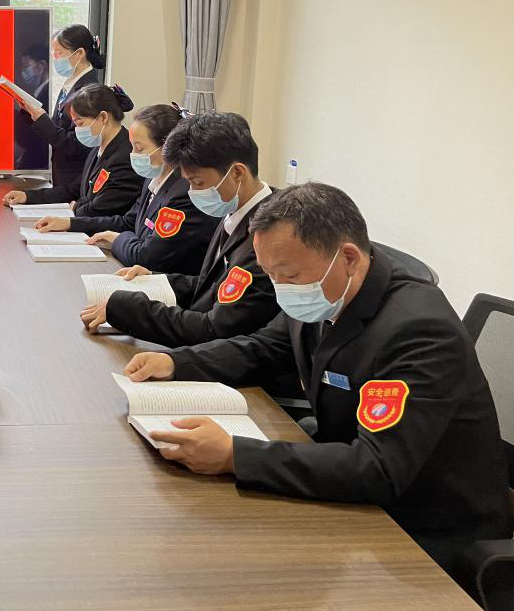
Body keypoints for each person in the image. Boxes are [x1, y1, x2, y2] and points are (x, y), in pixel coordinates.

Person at [122, 183, 512, 594]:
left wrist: (234, 455)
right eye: (272, 275)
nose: (281, 288)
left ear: (348, 258)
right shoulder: (325, 287)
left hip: (423, 531)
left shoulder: (419, 330)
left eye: (289, 276)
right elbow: (267, 346)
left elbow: (378, 469)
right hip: (353, 487)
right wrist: (178, 362)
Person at [80, 112, 279, 346]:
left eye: (198, 182)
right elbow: (211, 287)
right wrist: (156, 280)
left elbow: (216, 328)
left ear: (237, 173)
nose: (193, 192)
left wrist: (132, 310)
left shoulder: (270, 235)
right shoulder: (234, 209)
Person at [36, 103, 219, 275]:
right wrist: (70, 224)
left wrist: (118, 239)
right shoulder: (153, 179)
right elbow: (127, 222)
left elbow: (145, 256)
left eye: (139, 148)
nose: (133, 155)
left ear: (166, 148)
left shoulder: (184, 193)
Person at [4, 84, 140, 218]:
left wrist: (76, 207)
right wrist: (27, 196)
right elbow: (73, 190)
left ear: (103, 117)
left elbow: (101, 209)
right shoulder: (97, 149)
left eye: (80, 124)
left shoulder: (124, 157)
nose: (77, 130)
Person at [14, 24, 105, 198]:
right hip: (61, 176)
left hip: (75, 180)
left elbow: (76, 144)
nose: (55, 59)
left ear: (79, 53)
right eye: (53, 54)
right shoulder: (70, 85)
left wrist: (42, 119)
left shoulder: (90, 90)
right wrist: (31, 114)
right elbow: (57, 129)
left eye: (59, 54)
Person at [13, 42, 51, 170]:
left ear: (41, 66)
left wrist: (15, 114)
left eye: (26, 66)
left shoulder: (47, 96)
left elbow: (33, 137)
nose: (23, 72)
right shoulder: (39, 93)